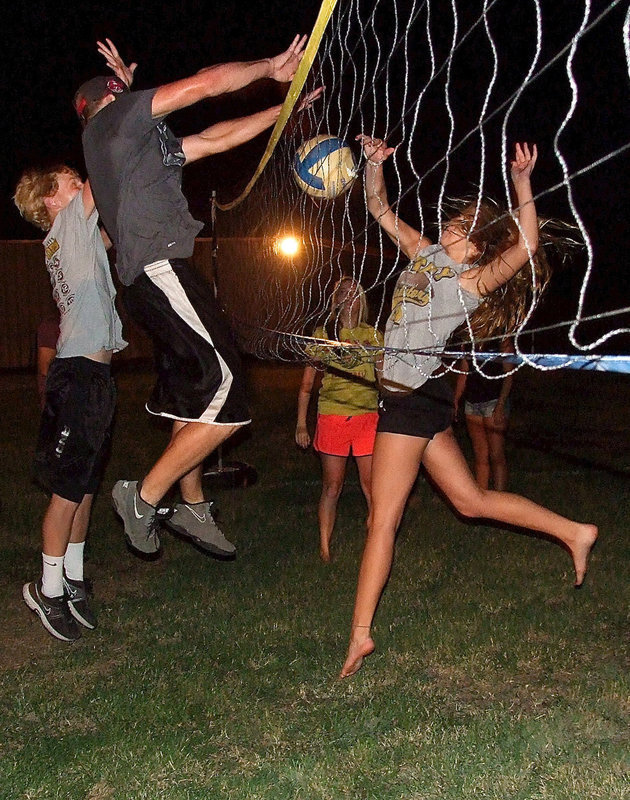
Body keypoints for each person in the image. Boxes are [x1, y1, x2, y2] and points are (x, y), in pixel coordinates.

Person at [339, 136, 598, 678]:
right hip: (417, 396)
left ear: (477, 247)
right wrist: (374, 165)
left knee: (382, 519)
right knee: (471, 501)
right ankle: (575, 531)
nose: (449, 225)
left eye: (460, 225)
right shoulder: (425, 254)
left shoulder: (470, 282)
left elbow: (527, 242)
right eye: (452, 220)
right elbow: (378, 207)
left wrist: (522, 183)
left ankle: (361, 633)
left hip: (410, 402)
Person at [75, 37, 320, 559]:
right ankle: (143, 498)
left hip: (150, 282)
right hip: (160, 271)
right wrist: (270, 67)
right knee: (228, 390)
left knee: (192, 400)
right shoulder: (115, 122)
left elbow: (212, 139)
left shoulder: (133, 147)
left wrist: (281, 114)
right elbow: (204, 85)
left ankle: (193, 505)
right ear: (114, 97)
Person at [14, 164, 127, 642]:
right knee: (66, 491)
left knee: (85, 487)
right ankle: (47, 589)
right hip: (78, 375)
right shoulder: (66, 226)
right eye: (70, 181)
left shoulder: (78, 235)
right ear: (50, 199)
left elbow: (111, 238)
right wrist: (113, 129)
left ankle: (73, 579)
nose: (81, 182)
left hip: (95, 375)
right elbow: (104, 170)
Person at [295, 278, 383, 562]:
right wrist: (301, 424)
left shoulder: (373, 336)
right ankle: (325, 547)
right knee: (332, 486)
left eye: (354, 292)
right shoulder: (323, 334)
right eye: (343, 292)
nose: (349, 297)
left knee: (371, 486)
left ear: (362, 300)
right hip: (332, 416)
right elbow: (306, 385)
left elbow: (384, 380)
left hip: (367, 416)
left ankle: (375, 541)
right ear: (336, 299)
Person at [454, 337, 515, 490]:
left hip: (494, 401)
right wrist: (456, 400)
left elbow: (509, 376)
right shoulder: (468, 341)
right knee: (480, 456)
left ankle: (499, 497)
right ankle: (481, 496)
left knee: (496, 455)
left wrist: (501, 405)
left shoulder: (502, 341)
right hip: (472, 402)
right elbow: (464, 373)